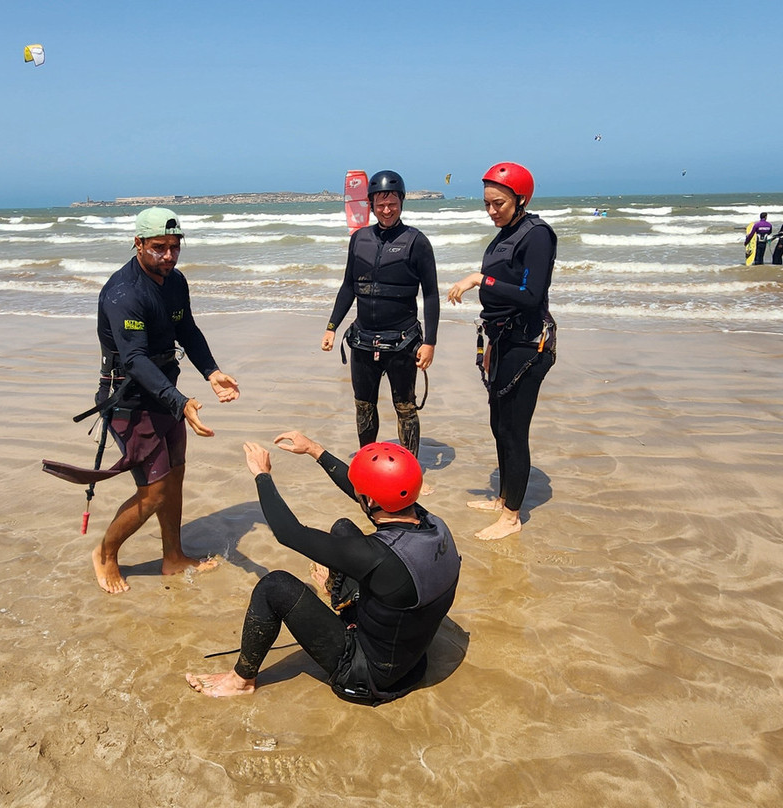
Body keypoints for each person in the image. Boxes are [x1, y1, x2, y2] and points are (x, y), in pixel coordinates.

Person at [186, 433, 460, 703]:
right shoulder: (432, 523)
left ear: (372, 501)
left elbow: (288, 533)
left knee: (275, 586)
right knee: (343, 528)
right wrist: (315, 450)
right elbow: (366, 493)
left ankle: (241, 681)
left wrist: (262, 475)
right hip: (411, 656)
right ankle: (338, 597)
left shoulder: (376, 556)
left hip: (367, 676)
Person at [91, 207, 240, 594]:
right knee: (153, 489)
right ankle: (106, 553)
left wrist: (211, 371)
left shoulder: (175, 282)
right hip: (130, 400)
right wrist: (181, 402)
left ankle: (173, 557)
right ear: (138, 244)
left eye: (175, 247)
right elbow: (135, 360)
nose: (169, 256)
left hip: (166, 393)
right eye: (159, 247)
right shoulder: (123, 294)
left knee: (174, 475)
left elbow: (186, 329)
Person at [446, 162, 557, 541]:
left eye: (499, 203)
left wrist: (480, 278)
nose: (492, 211)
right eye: (487, 204)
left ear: (520, 199)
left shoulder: (537, 235)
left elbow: (530, 295)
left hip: (529, 344)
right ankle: (504, 498)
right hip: (502, 341)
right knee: (498, 424)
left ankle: (512, 516)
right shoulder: (505, 235)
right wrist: (492, 343)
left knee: (513, 430)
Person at [322, 170, 439, 460]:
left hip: (402, 342)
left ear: (402, 202)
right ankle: (367, 466)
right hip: (363, 341)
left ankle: (411, 470)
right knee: (363, 405)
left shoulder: (417, 242)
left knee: (405, 408)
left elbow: (431, 294)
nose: (386, 210)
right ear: (371, 204)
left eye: (393, 204)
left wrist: (430, 342)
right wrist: (331, 326)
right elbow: (349, 286)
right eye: (380, 204)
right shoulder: (359, 239)